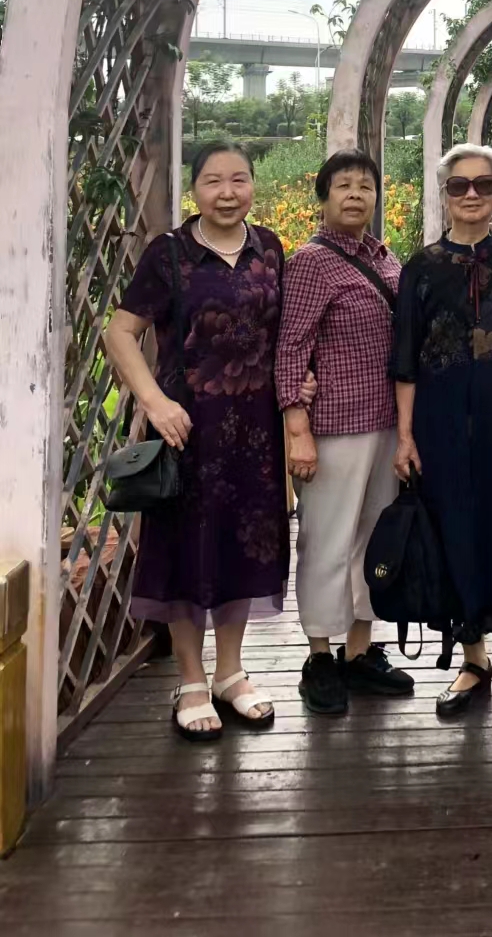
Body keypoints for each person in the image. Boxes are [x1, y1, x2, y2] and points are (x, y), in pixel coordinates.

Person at [104, 141, 288, 741]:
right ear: (194, 189)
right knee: (185, 548)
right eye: (213, 181)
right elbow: (120, 333)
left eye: (239, 179)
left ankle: (230, 671)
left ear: (252, 184)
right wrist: (153, 402)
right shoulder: (170, 254)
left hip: (255, 432)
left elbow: (280, 336)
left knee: (244, 545)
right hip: (186, 430)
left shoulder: (269, 248)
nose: (227, 193)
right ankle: (190, 678)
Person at [391, 144, 492, 731]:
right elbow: (404, 358)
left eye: (484, 185)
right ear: (444, 194)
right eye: (459, 186)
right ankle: (472, 658)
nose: (471, 195)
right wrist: (405, 437)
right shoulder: (422, 267)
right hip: (440, 423)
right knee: (454, 530)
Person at [275, 150, 414, 717]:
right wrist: (297, 429)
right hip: (334, 426)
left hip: (386, 424)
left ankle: (359, 651)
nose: (356, 195)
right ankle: (319, 657)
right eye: (343, 186)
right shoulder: (311, 262)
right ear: (324, 197)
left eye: (365, 186)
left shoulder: (384, 256)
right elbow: (291, 347)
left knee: (370, 543)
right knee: (326, 544)